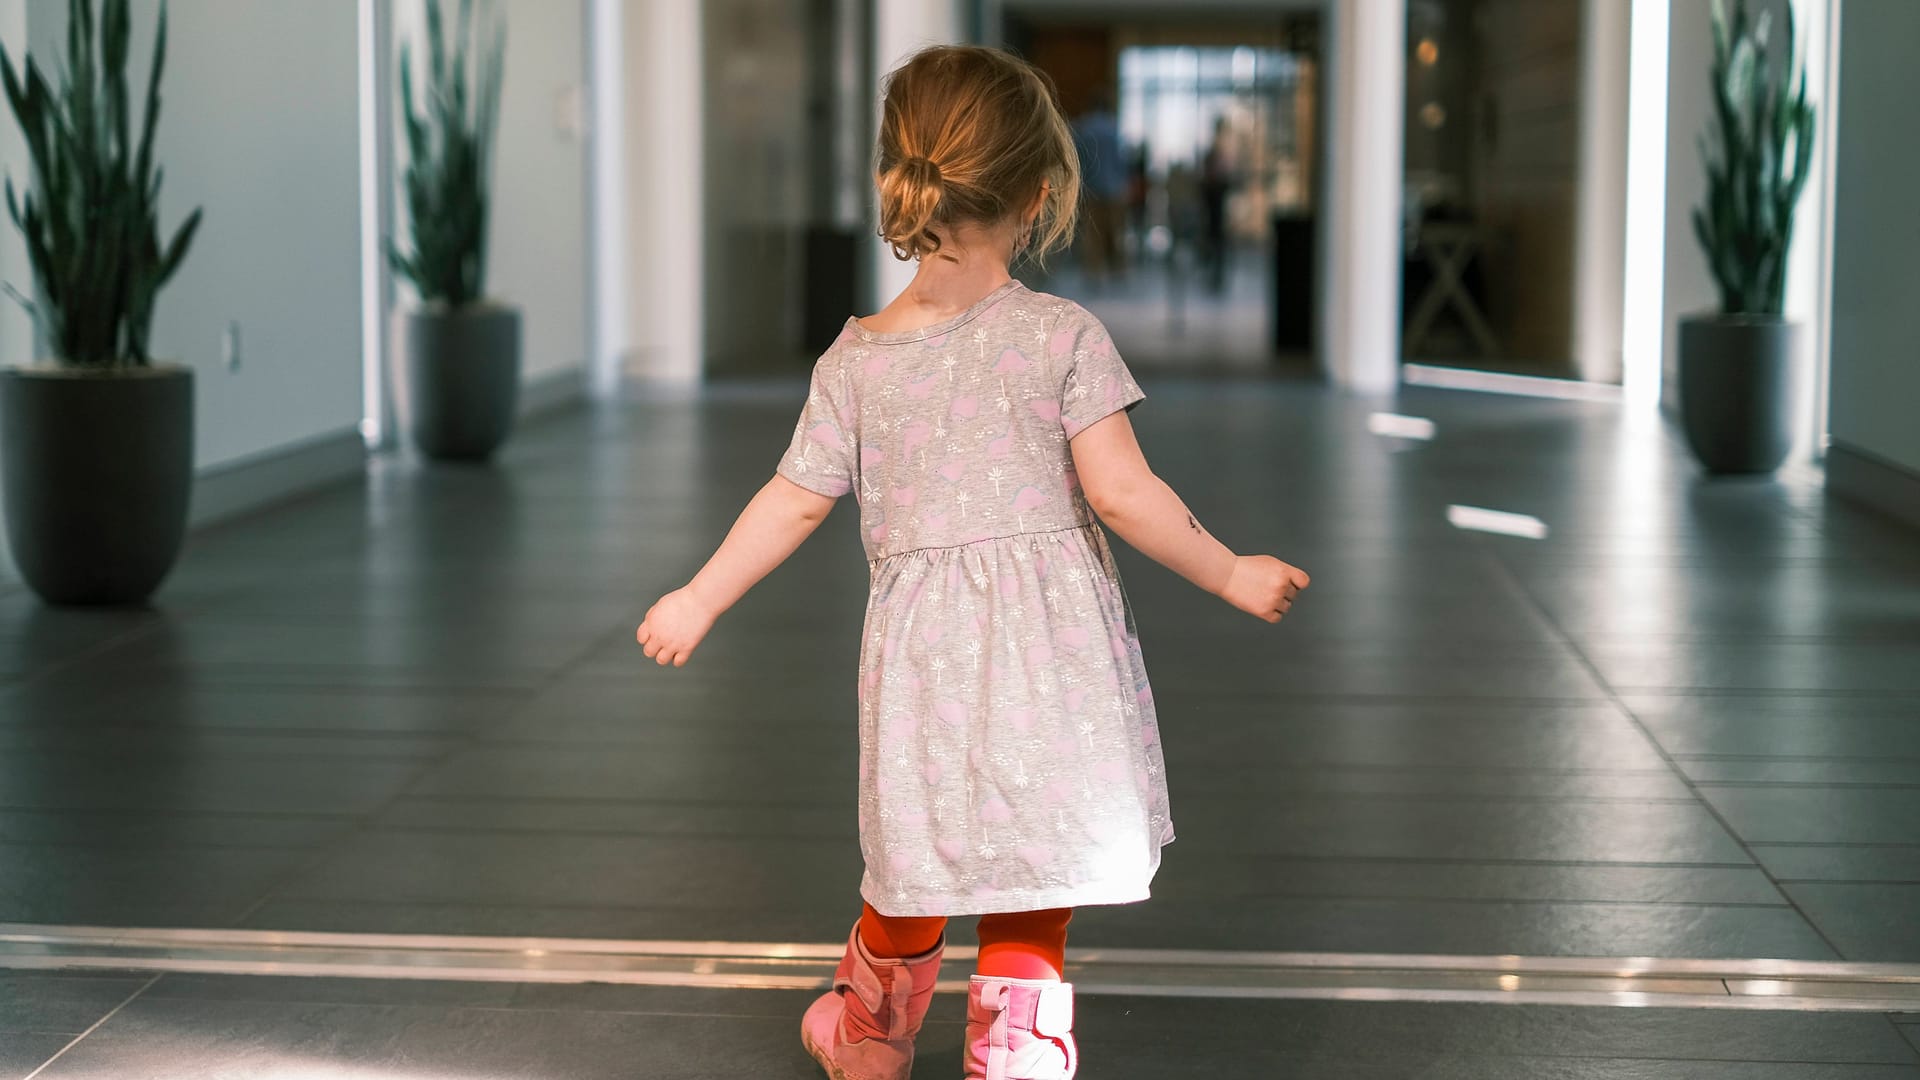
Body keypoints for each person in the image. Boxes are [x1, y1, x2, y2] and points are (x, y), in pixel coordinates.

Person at [636, 44, 1309, 1080]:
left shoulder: (854, 359)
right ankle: (1016, 1056)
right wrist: (1228, 571)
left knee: (910, 859)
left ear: (899, 180)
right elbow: (1123, 494)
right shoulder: (1061, 336)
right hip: (1051, 663)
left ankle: (867, 1037)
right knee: (1032, 869)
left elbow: (793, 504)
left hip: (921, 669)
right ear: (1039, 193)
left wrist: (698, 595)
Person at [1070, 88, 1127, 286]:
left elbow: (1078, 161)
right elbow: (1121, 161)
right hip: (1114, 188)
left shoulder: (1084, 128)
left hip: (1092, 189)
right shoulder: (1113, 128)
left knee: (1092, 234)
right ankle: (1117, 272)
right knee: (1115, 232)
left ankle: (1093, 273)